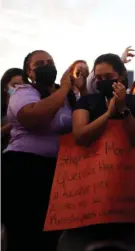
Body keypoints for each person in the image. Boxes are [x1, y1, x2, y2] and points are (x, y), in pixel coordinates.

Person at [57, 53, 135, 251]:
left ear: (122, 77)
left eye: (108, 77)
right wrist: (108, 115)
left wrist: (123, 110)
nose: (102, 82)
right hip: (90, 190)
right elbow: (80, 135)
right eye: (98, 78)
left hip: (125, 190)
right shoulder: (88, 102)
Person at [2, 50, 76, 251]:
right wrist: (63, 90)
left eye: (50, 62)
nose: (46, 66)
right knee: (24, 235)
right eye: (40, 63)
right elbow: (33, 117)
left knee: (50, 237)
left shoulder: (69, 95)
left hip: (56, 172)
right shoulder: (24, 92)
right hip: (23, 170)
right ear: (29, 71)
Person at [1, 68, 26, 151]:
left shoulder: (32, 105)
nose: (19, 89)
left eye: (23, 86)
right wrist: (13, 123)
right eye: (15, 85)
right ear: (5, 87)